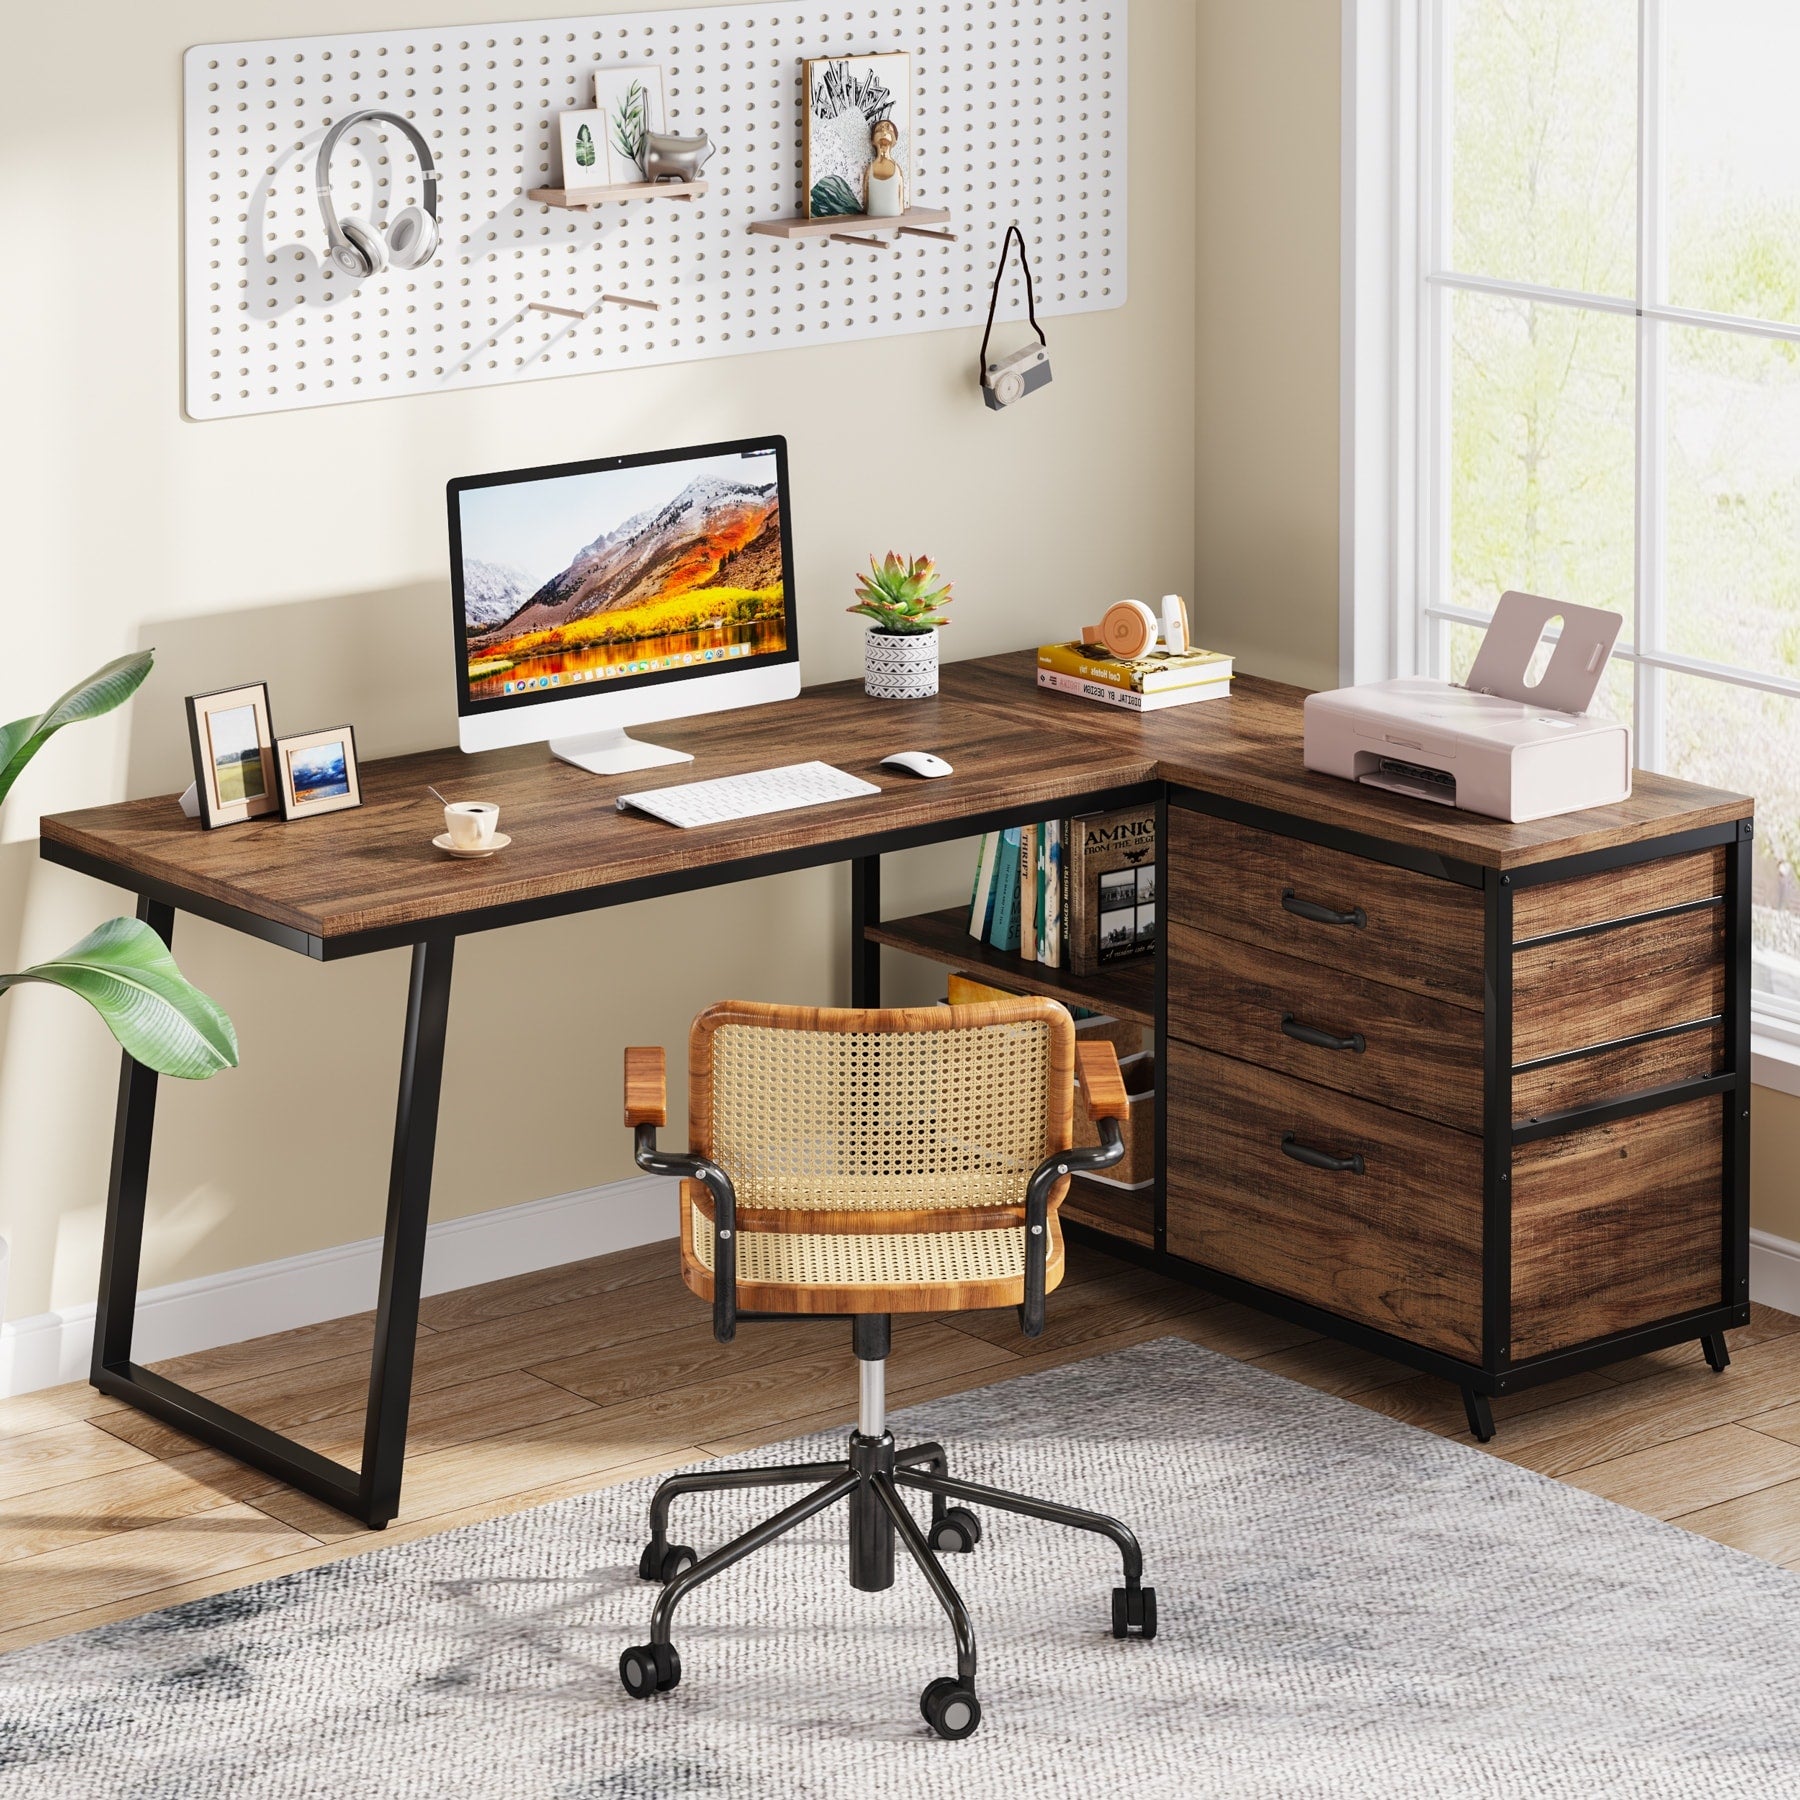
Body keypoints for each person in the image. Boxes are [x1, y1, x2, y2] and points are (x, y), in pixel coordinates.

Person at [864, 118, 907, 217]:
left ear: (895, 140)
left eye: (888, 130)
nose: (884, 132)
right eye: (879, 130)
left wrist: (900, 211)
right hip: (872, 215)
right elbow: (866, 199)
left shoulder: (897, 169)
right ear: (872, 141)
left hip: (894, 215)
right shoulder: (870, 169)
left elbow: (900, 201)